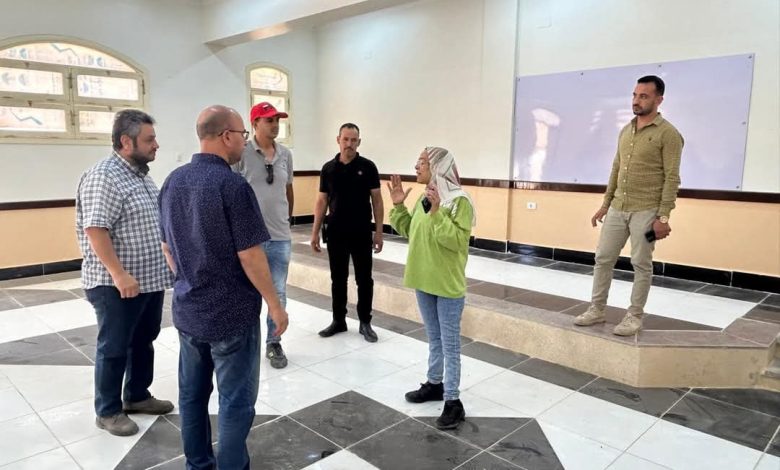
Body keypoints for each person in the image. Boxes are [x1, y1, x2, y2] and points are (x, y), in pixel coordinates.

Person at [158, 105, 289, 470]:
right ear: (226, 136)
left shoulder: (172, 181)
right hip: (231, 315)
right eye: (243, 135)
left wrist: (190, 278)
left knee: (192, 397)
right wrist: (275, 304)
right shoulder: (232, 186)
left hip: (189, 311)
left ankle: (198, 464)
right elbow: (250, 255)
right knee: (235, 402)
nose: (244, 142)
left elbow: (167, 247)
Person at [75, 109, 174, 437]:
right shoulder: (104, 175)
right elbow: (96, 229)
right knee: (114, 346)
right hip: (115, 284)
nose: (156, 145)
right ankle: (107, 411)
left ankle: (137, 396)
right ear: (126, 142)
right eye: (149, 139)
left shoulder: (141, 176)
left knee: (143, 340)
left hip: (148, 279)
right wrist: (118, 274)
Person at [574, 75, 683, 336]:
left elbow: (672, 178)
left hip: (647, 212)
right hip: (617, 208)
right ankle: (597, 309)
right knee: (603, 258)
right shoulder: (626, 130)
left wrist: (663, 217)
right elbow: (616, 168)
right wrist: (605, 204)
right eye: (635, 95)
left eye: (644, 96)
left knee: (641, 262)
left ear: (659, 100)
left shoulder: (669, 134)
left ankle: (634, 316)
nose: (636, 100)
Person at [387, 147, 476, 430]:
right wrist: (399, 206)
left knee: (450, 344)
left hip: (446, 284)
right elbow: (410, 230)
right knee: (434, 338)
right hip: (423, 279)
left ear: (438, 166)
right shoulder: (424, 197)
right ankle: (435, 384)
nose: (416, 166)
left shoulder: (459, 202)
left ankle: (453, 401)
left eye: (423, 162)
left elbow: (456, 242)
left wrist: (437, 212)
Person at [310, 123, 384, 342]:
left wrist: (379, 232)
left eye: (353, 140)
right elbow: (321, 201)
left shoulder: (368, 167)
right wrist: (314, 232)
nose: (349, 144)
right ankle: (338, 321)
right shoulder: (328, 169)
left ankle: (365, 322)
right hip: (336, 232)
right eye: (346, 139)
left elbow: (377, 201)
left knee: (364, 279)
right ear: (338, 140)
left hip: (361, 231)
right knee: (338, 278)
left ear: (359, 142)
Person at [234, 102, 294, 369]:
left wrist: (286, 220)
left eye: (277, 120)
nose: (275, 125)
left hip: (280, 235)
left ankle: (273, 342)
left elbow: (287, 190)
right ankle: (245, 342)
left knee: (278, 292)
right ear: (255, 123)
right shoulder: (242, 153)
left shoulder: (285, 154)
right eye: (269, 120)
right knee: (247, 292)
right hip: (250, 239)